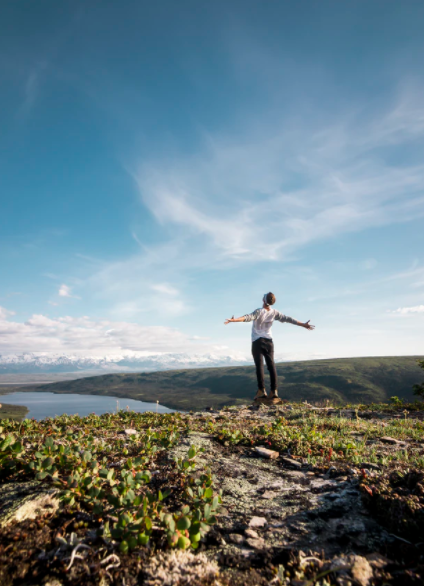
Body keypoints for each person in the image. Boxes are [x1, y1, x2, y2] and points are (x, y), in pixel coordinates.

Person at [224, 292, 315, 401]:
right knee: (271, 366)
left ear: (263, 300)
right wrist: (303, 324)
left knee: (259, 366)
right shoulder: (274, 312)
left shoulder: (259, 311)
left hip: (257, 341)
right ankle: (274, 391)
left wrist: (234, 320)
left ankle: (261, 390)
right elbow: (288, 319)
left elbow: (248, 317)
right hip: (269, 341)